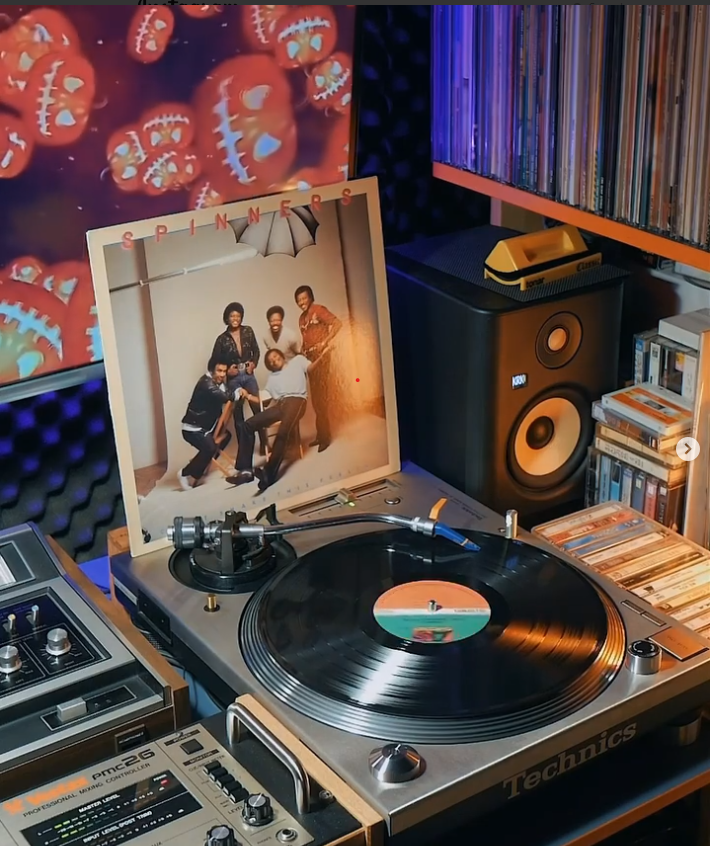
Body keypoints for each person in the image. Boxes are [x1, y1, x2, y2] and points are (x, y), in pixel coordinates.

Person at [227, 349, 310, 493]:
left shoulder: (298, 361)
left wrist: (322, 357)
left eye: (276, 357)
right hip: (280, 404)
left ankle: (268, 475)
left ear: (282, 356)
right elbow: (263, 398)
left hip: (297, 401)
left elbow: (311, 368)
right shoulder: (272, 378)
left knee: (283, 432)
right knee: (247, 425)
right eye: (270, 361)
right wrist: (247, 395)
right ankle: (245, 471)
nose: (274, 360)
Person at [211, 301, 266, 453]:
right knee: (238, 414)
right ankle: (244, 449)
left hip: (248, 375)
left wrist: (253, 364)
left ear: (241, 317)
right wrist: (227, 371)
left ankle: (264, 444)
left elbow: (256, 350)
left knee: (258, 409)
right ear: (227, 318)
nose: (235, 318)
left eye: (238, 315)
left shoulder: (248, 331)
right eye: (232, 316)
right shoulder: (221, 339)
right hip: (234, 379)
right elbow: (214, 362)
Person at [294, 285, 341, 452]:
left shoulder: (319, 309)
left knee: (321, 398)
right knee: (315, 399)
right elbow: (304, 341)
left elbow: (337, 324)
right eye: (299, 300)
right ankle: (320, 435)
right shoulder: (301, 318)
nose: (301, 302)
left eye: (304, 298)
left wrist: (325, 342)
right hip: (309, 359)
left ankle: (325, 438)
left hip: (321, 357)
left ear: (310, 297)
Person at [178, 355, 234, 490]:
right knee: (209, 448)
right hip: (192, 429)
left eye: (224, 371)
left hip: (206, 427)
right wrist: (237, 391)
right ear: (211, 370)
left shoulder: (217, 383)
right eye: (219, 371)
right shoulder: (207, 384)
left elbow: (226, 391)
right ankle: (184, 473)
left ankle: (201, 465)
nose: (222, 374)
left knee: (226, 436)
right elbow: (227, 396)